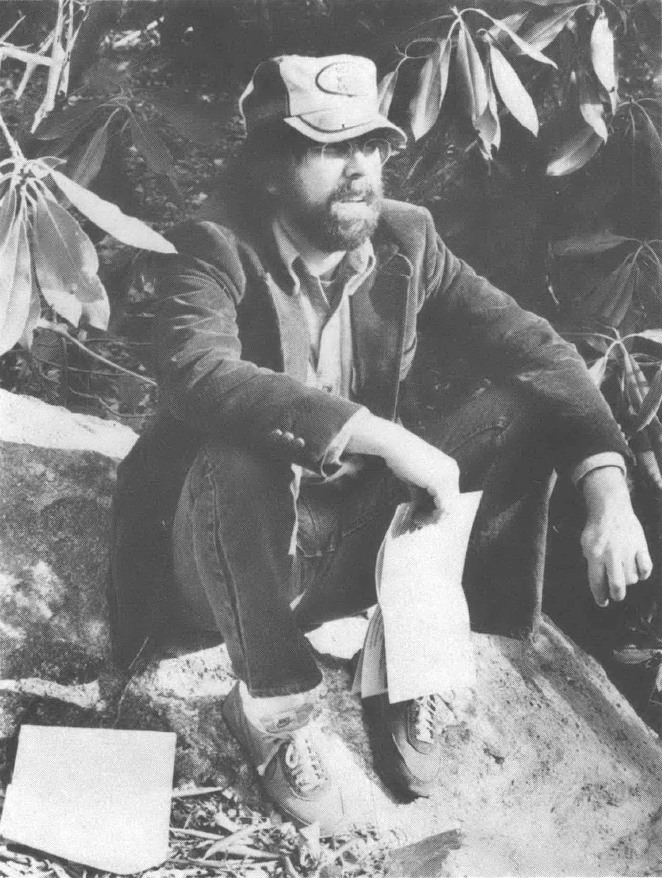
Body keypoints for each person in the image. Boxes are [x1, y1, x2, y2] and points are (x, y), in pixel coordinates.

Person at [108, 54, 652, 834]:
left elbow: (538, 351)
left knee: (522, 405)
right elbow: (201, 374)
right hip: (232, 560)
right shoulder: (211, 246)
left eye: (372, 143)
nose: (360, 166)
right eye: (331, 147)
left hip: (350, 545)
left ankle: (413, 657)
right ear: (269, 165)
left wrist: (607, 493)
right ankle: (273, 712)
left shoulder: (407, 241)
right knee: (245, 443)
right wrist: (384, 436)